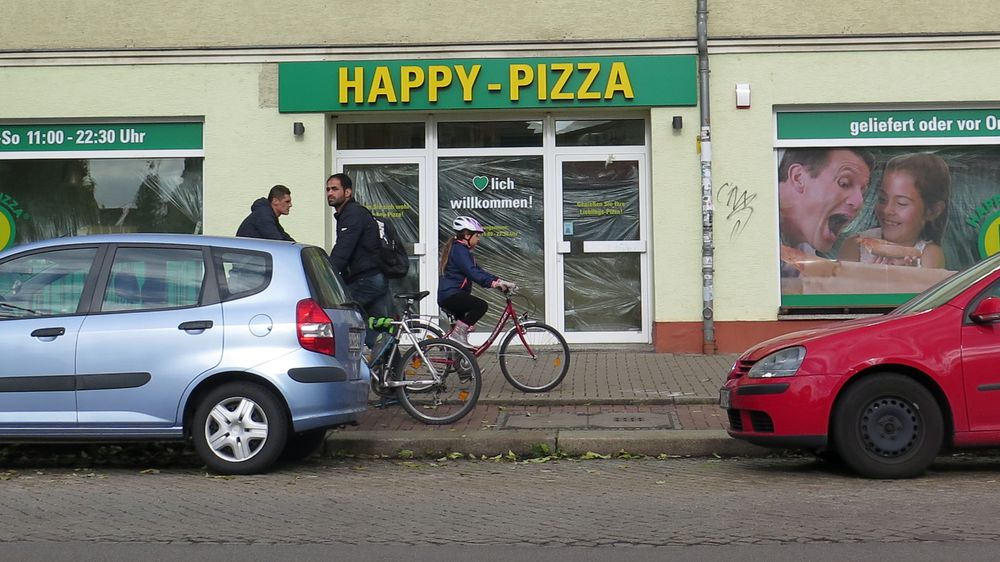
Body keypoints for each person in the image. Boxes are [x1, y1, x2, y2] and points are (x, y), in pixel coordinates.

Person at [838, 153, 950, 268]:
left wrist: (910, 277)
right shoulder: (855, 246)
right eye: (882, 199)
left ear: (933, 211)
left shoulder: (929, 255)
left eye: (902, 203)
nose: (887, 210)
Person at [326, 173, 391, 346]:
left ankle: (373, 346)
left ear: (348, 192)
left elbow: (343, 250)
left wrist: (326, 276)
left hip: (366, 280)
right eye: (327, 189)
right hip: (375, 277)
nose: (329, 193)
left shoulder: (352, 214)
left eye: (334, 189)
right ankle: (394, 370)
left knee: (342, 315)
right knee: (381, 326)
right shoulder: (351, 213)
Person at [778, 148, 876, 261]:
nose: (859, 202)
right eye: (844, 183)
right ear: (798, 178)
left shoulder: (804, 249)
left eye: (863, 191)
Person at [437, 216, 515, 347]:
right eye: (477, 236)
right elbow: (472, 272)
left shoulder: (462, 250)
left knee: (465, 328)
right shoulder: (459, 250)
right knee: (480, 306)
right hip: (451, 295)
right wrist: (493, 284)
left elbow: (478, 271)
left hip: (453, 294)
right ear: (467, 235)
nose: (479, 239)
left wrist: (499, 281)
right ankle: (457, 335)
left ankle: (460, 362)